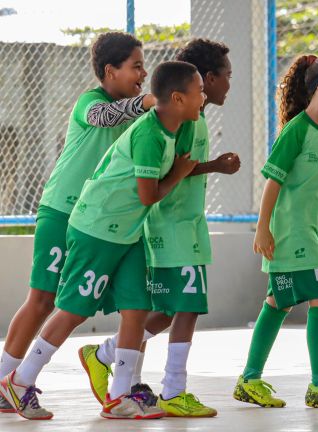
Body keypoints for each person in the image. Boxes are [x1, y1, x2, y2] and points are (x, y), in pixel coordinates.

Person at [0, 61, 205, 420]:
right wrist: (178, 173)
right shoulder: (143, 130)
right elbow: (147, 194)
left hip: (125, 232)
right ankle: (17, 380)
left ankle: (118, 394)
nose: (203, 97)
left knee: (136, 308)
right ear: (176, 97)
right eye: (198, 90)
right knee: (70, 307)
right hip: (95, 226)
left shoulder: (170, 130)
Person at [78, 38, 240, 418]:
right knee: (185, 309)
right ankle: (173, 388)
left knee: (170, 309)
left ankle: (109, 359)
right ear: (207, 79)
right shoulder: (186, 120)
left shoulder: (194, 116)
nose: (226, 85)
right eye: (224, 77)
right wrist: (213, 165)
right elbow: (173, 168)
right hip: (172, 224)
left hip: (181, 224)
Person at [0, 32, 155, 413]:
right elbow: (105, 117)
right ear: (109, 71)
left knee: (134, 306)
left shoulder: (140, 117)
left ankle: (124, 386)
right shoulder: (92, 101)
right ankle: (6, 378)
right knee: (42, 300)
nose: (143, 72)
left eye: (144, 65)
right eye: (135, 65)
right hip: (63, 212)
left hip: (104, 223)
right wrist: (149, 101)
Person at [232, 54, 318, 409]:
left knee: (278, 302)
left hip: (311, 234)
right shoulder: (297, 129)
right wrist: (263, 229)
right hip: (292, 234)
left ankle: (249, 379)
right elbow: (273, 182)